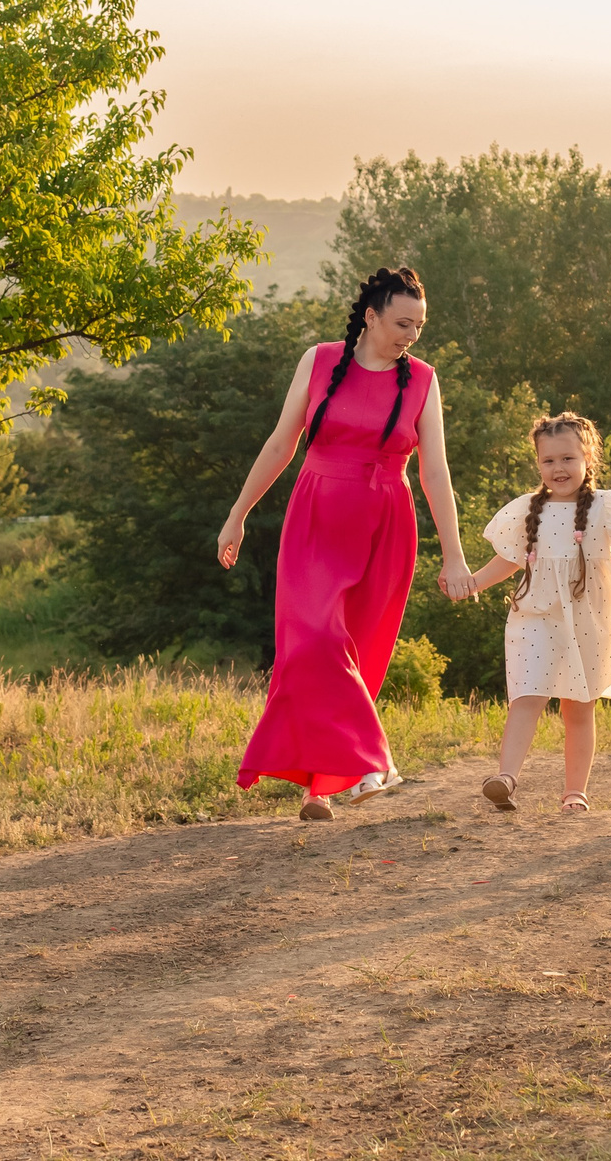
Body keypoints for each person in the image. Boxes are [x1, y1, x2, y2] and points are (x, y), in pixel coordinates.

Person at [221, 268, 474, 821]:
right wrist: (238, 513)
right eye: (403, 322)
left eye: (420, 325)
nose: (413, 334)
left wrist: (453, 554)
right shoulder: (319, 361)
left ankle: (322, 787)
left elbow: (436, 471)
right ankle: (369, 761)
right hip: (316, 516)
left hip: (386, 524)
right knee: (311, 641)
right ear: (372, 315)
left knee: (358, 651)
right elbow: (282, 442)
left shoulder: (424, 380)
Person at [454, 412, 611, 813]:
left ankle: (575, 792)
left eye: (567, 459)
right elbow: (509, 560)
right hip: (535, 616)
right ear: (538, 464)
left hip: (587, 620)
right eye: (548, 461)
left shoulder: (604, 506)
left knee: (578, 709)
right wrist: (473, 582)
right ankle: (506, 778)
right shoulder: (527, 509)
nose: (558, 468)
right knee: (526, 697)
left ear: (588, 458)